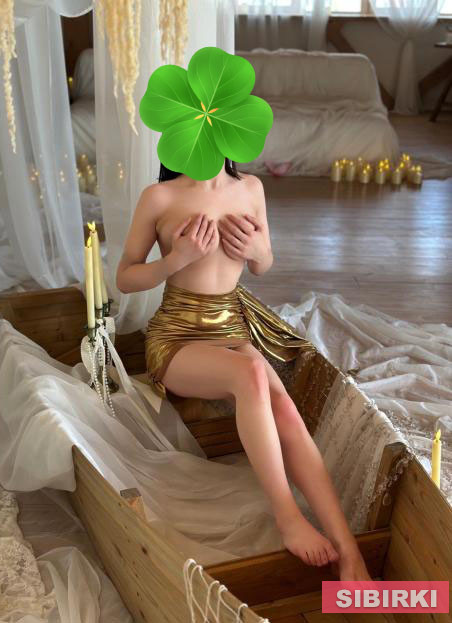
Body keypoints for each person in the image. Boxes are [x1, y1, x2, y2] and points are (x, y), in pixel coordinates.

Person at [116, 158, 372, 580]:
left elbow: (263, 263)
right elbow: (125, 277)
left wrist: (258, 251)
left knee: (284, 409)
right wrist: (177, 258)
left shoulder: (251, 188)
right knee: (251, 374)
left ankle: (349, 552)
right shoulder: (159, 197)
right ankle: (288, 517)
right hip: (176, 340)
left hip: (231, 329)